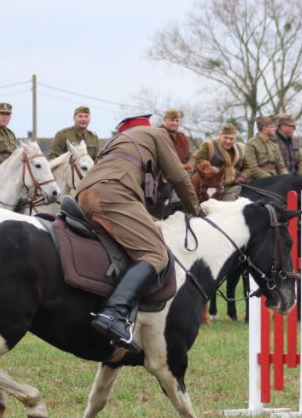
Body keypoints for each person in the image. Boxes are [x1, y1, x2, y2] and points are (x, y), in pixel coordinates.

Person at [75, 114, 201, 354]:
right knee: (155, 253)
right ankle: (114, 313)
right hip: (114, 192)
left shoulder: (114, 143)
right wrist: (195, 209)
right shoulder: (156, 134)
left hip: (84, 192)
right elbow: (178, 176)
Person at [193, 123, 247, 200]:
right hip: (213, 187)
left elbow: (248, 167)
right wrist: (212, 170)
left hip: (235, 185)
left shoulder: (241, 148)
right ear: (220, 135)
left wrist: (242, 176)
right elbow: (199, 162)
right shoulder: (208, 145)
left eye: (231, 139)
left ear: (235, 138)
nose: (228, 141)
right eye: (225, 138)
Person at [243, 115, 287, 181]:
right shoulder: (252, 144)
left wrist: (286, 177)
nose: (275, 129)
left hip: (274, 178)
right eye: (272, 127)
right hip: (258, 180)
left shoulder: (274, 145)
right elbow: (252, 168)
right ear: (264, 129)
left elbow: (281, 166)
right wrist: (270, 178)